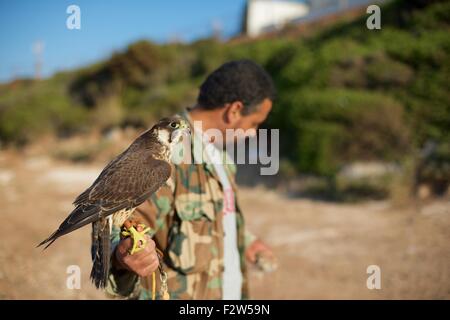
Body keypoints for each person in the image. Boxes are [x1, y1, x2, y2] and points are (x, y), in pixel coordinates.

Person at [103, 59, 276, 299]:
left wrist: (245, 242)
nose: (253, 133)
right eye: (255, 123)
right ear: (234, 110)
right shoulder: (167, 155)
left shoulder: (222, 159)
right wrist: (123, 256)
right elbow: (116, 229)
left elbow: (215, 222)